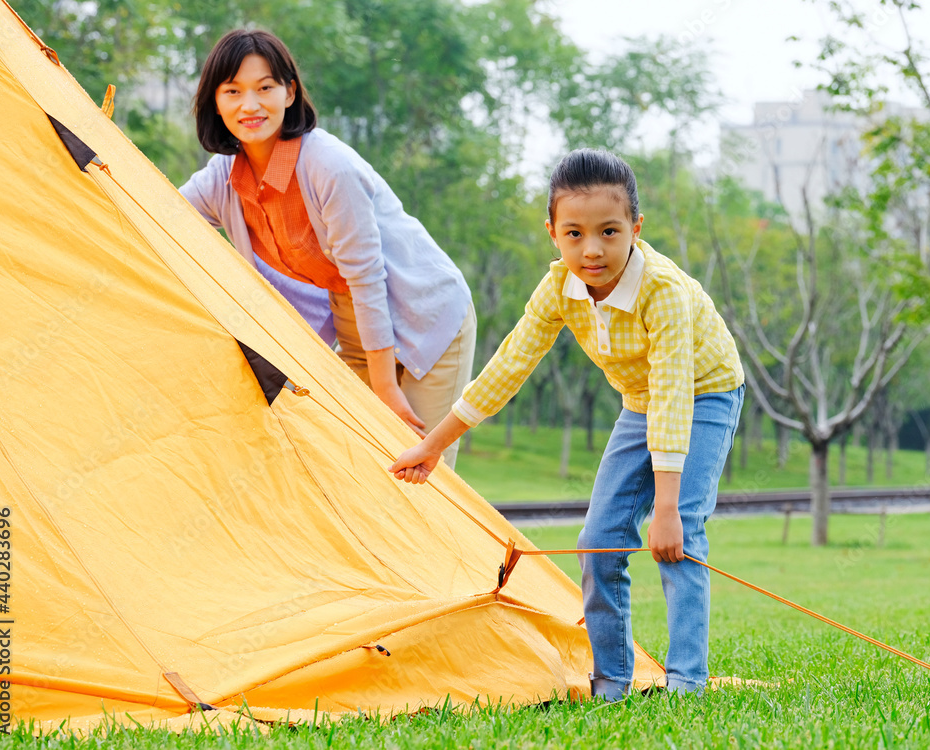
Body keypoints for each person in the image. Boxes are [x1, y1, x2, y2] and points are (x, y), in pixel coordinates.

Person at [389, 149, 745, 698]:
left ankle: (686, 683)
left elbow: (675, 394)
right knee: (597, 540)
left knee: (682, 536)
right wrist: (433, 446)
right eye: (574, 233)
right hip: (639, 400)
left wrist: (667, 510)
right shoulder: (559, 287)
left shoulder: (664, 293)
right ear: (552, 232)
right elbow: (507, 368)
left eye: (609, 231)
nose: (593, 249)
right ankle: (611, 680)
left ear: (635, 228)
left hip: (706, 393)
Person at [180, 29, 475, 468]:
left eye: (265, 88)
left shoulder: (328, 166)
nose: (250, 105)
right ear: (215, 101)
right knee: (356, 465)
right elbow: (161, 218)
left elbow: (366, 277)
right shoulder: (222, 176)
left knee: (421, 473)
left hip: (425, 318)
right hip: (357, 325)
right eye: (233, 91)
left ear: (289, 92)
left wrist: (386, 389)